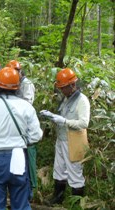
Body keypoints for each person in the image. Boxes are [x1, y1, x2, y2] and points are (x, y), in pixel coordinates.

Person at [0, 67, 43, 210]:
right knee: (21, 203)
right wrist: (22, 141)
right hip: (19, 157)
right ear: (18, 87)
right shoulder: (26, 107)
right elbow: (36, 135)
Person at [40, 68, 90, 205]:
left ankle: (76, 203)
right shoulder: (66, 99)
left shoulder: (82, 100)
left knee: (75, 172)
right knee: (59, 169)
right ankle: (58, 197)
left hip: (74, 140)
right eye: (60, 88)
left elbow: (84, 122)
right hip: (61, 139)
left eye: (64, 88)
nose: (62, 90)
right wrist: (52, 116)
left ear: (72, 85)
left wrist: (65, 121)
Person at [6, 60, 37, 192]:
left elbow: (28, 103)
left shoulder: (26, 84)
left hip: (26, 125)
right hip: (16, 125)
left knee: (28, 157)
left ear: (19, 71)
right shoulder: (16, 83)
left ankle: (30, 188)